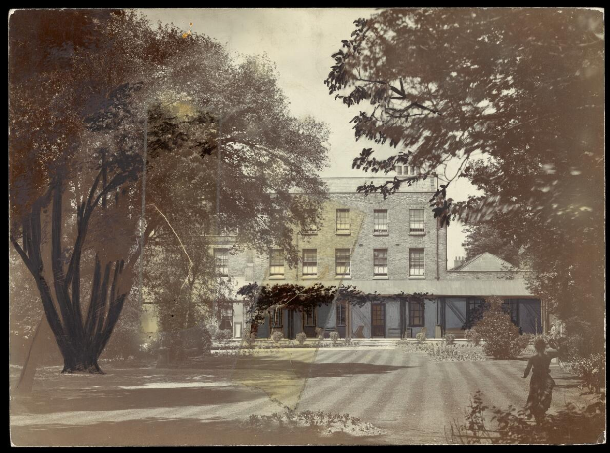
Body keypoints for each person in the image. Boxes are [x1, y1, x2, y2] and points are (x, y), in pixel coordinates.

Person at [523, 338, 558, 423]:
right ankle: (541, 410)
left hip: (535, 378)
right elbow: (558, 352)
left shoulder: (532, 358)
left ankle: (529, 412)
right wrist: (554, 344)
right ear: (544, 347)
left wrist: (525, 375)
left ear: (535, 347)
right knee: (545, 394)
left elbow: (527, 369)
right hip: (545, 377)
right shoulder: (548, 356)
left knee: (533, 394)